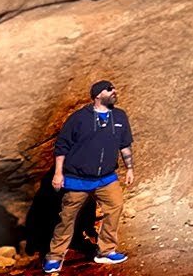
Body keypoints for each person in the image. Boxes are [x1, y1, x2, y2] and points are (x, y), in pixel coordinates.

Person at [43, 80, 135, 273]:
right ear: (97, 95)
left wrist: (129, 169)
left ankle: (106, 251)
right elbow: (62, 147)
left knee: (115, 208)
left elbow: (125, 145)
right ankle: (54, 256)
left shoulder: (119, 116)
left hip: (107, 178)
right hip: (78, 178)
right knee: (67, 217)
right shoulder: (78, 118)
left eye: (114, 88)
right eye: (109, 89)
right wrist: (58, 173)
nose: (114, 91)